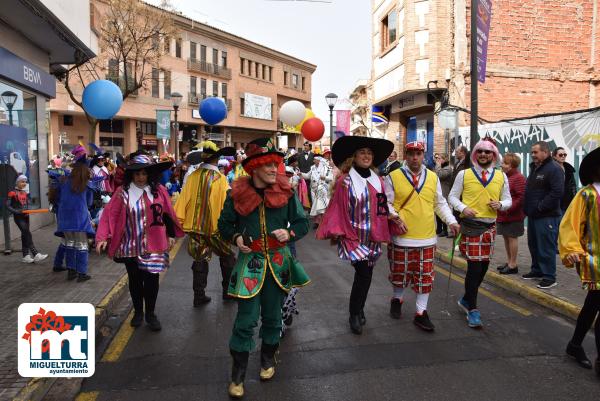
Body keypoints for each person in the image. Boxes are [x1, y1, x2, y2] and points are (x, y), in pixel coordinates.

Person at [217, 138, 310, 398]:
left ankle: (268, 358)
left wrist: (289, 234)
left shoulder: (286, 192)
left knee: (273, 316)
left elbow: (302, 225)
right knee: (246, 319)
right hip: (250, 264)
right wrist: (236, 238)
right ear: (254, 167)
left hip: (278, 264)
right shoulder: (235, 193)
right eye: (268, 164)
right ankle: (238, 373)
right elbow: (224, 226)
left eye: (275, 164)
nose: (273, 169)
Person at [317, 136, 395, 335]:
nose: (367, 156)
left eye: (369, 153)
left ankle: (359, 308)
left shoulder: (377, 180)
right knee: (363, 274)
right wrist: (344, 235)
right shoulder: (345, 181)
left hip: (372, 237)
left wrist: (393, 218)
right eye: (362, 152)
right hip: (352, 236)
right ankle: (354, 313)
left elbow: (381, 208)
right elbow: (339, 211)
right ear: (354, 157)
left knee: (366, 276)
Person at [96, 153, 184, 331]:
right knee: (135, 280)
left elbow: (167, 214)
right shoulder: (123, 193)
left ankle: (150, 314)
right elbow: (109, 215)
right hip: (130, 244)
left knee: (152, 280)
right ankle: (138, 312)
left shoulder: (158, 191)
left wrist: (171, 234)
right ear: (131, 175)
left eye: (144, 174)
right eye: (137, 174)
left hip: (155, 244)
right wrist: (102, 237)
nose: (141, 177)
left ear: (150, 174)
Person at [385, 142, 459, 331]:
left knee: (425, 277)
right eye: (411, 154)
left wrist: (451, 221)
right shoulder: (393, 176)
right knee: (400, 274)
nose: (414, 157)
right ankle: (397, 298)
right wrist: (393, 216)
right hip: (402, 237)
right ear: (406, 155)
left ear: (423, 155)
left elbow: (439, 203)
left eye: (418, 153)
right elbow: (386, 203)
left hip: (427, 237)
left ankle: (421, 313)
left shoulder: (433, 177)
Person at [448, 138, 511, 328]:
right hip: (471, 227)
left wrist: (500, 205)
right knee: (474, 269)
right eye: (480, 151)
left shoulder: (501, 176)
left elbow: (508, 200)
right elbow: (451, 196)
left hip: (490, 229)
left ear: (493, 155)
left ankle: (467, 299)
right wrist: (463, 208)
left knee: (483, 269)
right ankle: (473, 310)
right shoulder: (464, 174)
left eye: (488, 152)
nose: (484, 154)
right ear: (475, 154)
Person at [174, 141, 237, 306]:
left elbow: (183, 199)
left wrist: (179, 221)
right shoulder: (220, 178)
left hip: (195, 228)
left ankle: (199, 296)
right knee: (228, 257)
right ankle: (227, 292)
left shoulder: (193, 176)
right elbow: (226, 205)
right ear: (216, 159)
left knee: (200, 259)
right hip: (215, 229)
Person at [559, 146, 600, 378]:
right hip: (594, 260)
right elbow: (570, 224)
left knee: (592, 305)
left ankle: (575, 344)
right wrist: (572, 249)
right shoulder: (587, 194)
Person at [522, 141, 564, 289]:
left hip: (547, 216)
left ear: (545, 152)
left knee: (546, 246)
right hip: (533, 215)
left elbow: (557, 193)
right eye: (532, 152)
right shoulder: (535, 168)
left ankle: (549, 277)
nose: (532, 155)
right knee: (534, 245)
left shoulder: (554, 169)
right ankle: (537, 270)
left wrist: (540, 207)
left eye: (535, 152)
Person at [54, 146, 95, 281]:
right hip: (79, 217)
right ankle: (82, 273)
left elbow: (57, 197)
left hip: (64, 217)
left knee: (69, 243)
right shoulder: (86, 183)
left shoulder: (63, 180)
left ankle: (71, 271)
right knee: (82, 244)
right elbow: (89, 203)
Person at [496, 153, 527, 275]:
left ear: (512, 166)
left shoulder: (519, 178)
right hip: (504, 213)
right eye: (503, 162)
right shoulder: (504, 177)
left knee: (512, 238)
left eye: (505, 163)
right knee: (506, 237)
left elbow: (520, 197)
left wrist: (508, 207)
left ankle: (513, 264)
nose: (502, 165)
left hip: (513, 214)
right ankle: (509, 261)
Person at [6, 175, 48, 263]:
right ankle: (35, 254)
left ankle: (25, 256)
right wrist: (16, 211)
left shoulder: (25, 193)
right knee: (27, 234)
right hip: (18, 217)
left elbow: (27, 204)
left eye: (25, 182)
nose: (24, 183)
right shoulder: (12, 193)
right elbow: (7, 205)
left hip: (26, 216)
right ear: (17, 182)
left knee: (24, 235)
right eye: (22, 182)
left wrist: (30, 209)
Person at [301, 156, 333, 228]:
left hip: (323, 190)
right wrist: (301, 174)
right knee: (315, 207)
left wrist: (325, 178)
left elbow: (331, 178)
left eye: (315, 160)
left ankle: (324, 222)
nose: (313, 161)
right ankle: (317, 222)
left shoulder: (326, 168)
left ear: (319, 161)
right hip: (313, 189)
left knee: (323, 206)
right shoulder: (312, 168)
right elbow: (307, 176)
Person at [552, 147, 577, 213]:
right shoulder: (550, 169)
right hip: (554, 205)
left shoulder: (569, 169)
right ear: (554, 157)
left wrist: (574, 200)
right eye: (560, 155)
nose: (563, 156)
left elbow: (573, 186)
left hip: (567, 204)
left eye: (564, 155)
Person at [434, 153, 453, 237]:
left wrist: (437, 165)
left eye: (440, 158)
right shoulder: (442, 168)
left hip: (444, 192)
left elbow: (439, 175)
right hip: (439, 191)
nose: (438, 160)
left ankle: (445, 230)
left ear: (445, 159)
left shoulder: (448, 168)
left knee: (443, 211)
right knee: (437, 211)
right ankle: (439, 229)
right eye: (437, 158)